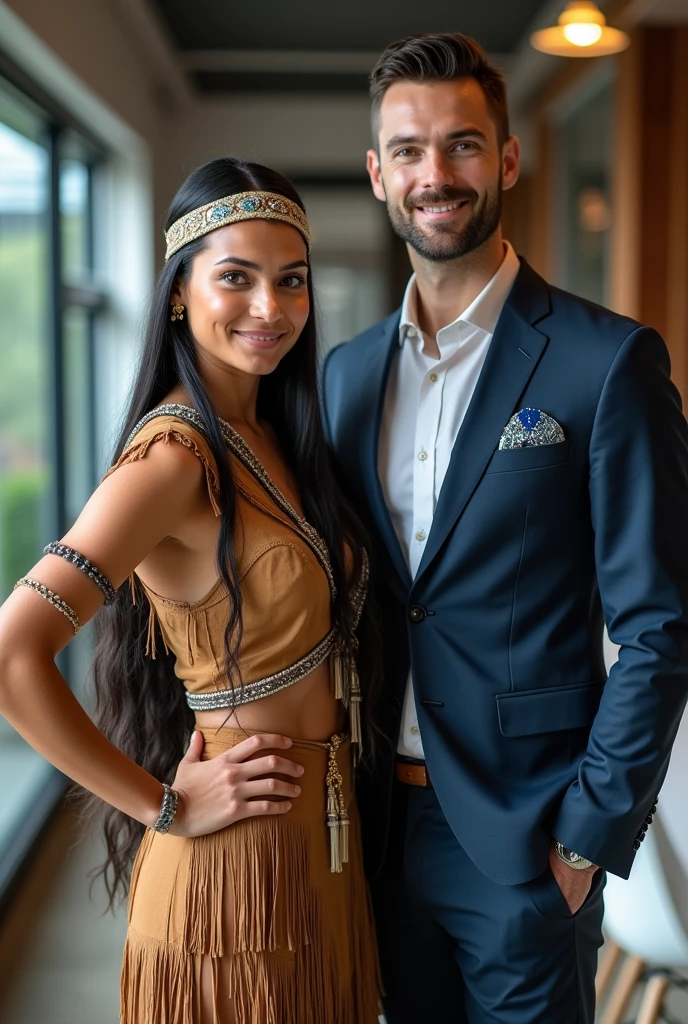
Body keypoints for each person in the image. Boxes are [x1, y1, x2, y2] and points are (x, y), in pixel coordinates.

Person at [321, 32, 688, 1024]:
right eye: (407, 150)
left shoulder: (605, 363)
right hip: (375, 833)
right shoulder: (343, 377)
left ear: (509, 157)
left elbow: (659, 625)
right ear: (377, 172)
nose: (434, 174)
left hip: (527, 844)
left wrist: (583, 837)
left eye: (462, 145)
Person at [0, 157, 381, 1024]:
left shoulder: (276, 431)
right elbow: (12, 652)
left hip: (321, 840)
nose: (270, 308)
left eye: (291, 281)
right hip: (232, 862)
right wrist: (162, 804)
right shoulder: (173, 460)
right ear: (179, 292)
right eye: (235, 278)